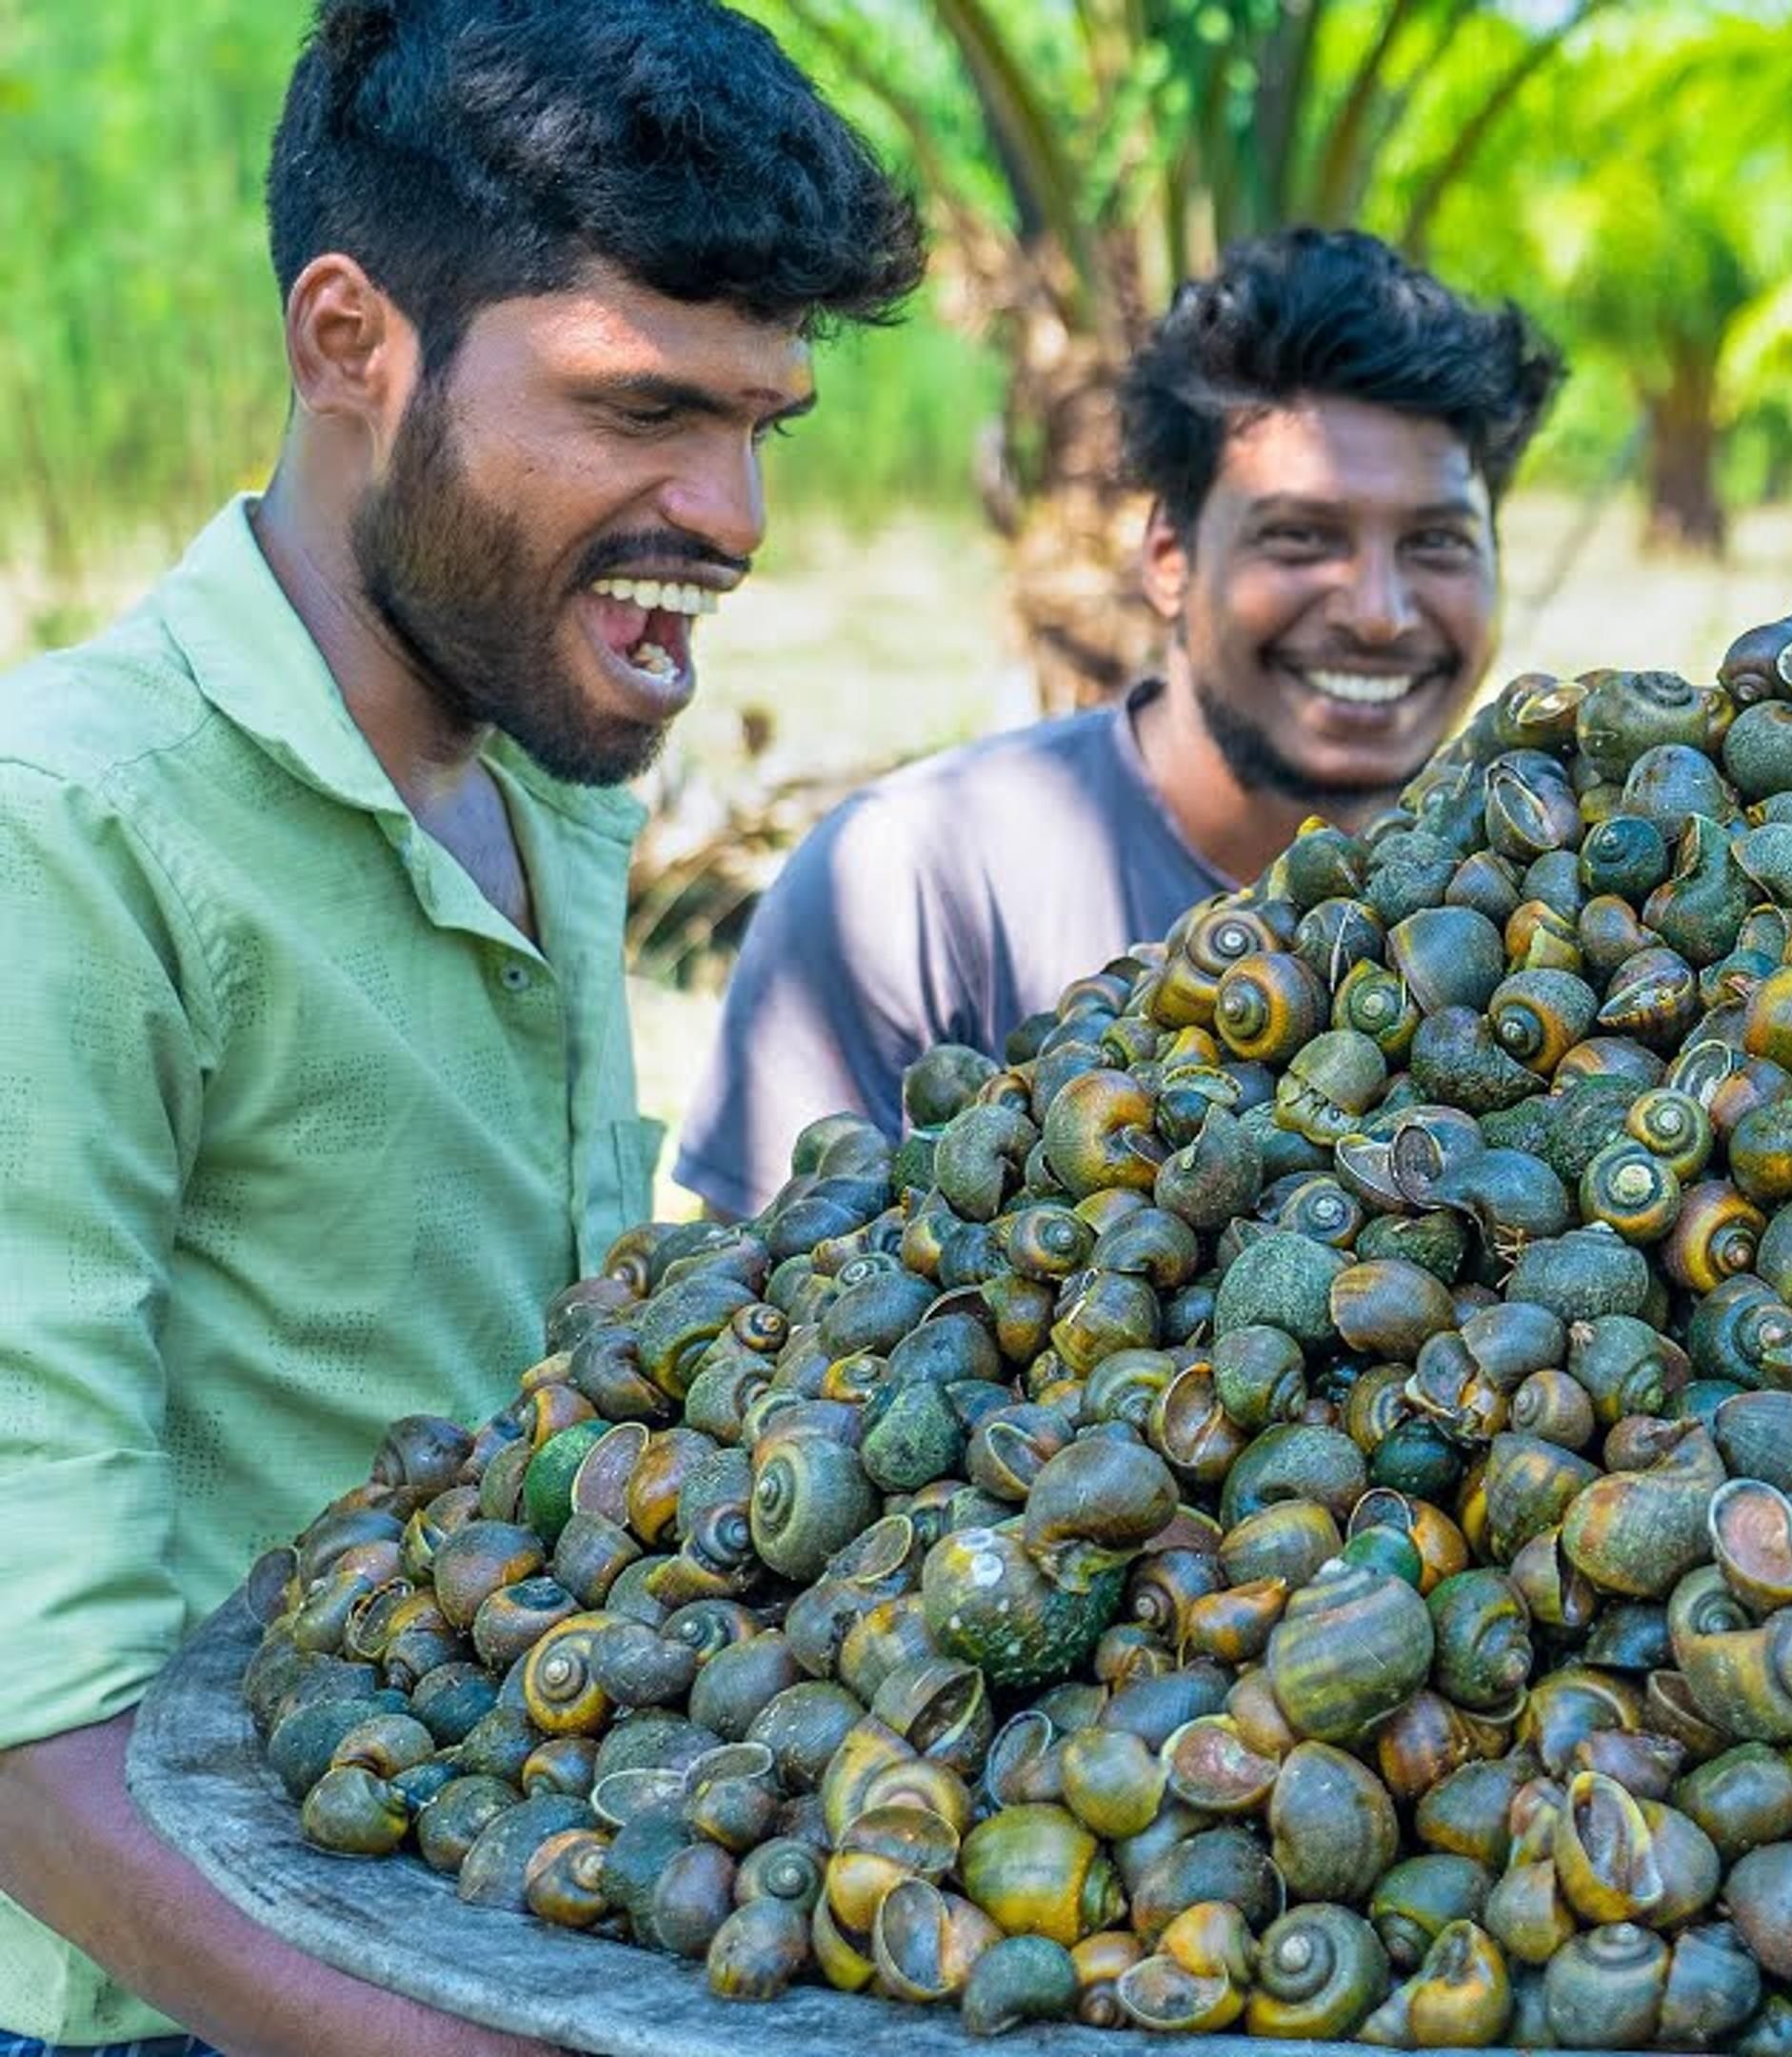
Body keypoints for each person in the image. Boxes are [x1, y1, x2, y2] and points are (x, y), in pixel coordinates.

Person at [0, 1, 924, 2050]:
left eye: (763, 427)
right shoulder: (62, 841)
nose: (734, 513)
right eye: (641, 407)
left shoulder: (543, 776)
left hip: (494, 1906)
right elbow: (25, 1731)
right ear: (353, 343)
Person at [673, 228, 1562, 1217]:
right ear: (1169, 558)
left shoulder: (1542, 897)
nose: (1379, 612)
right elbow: (763, 1287)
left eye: (1437, 544)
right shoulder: (912, 886)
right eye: (1302, 538)